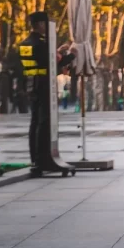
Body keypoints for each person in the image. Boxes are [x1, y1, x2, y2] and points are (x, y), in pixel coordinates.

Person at [19, 12, 76, 177]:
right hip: (44, 85)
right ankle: (42, 159)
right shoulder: (41, 44)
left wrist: (57, 53)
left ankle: (35, 159)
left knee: (34, 122)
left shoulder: (25, 43)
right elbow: (51, 64)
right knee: (44, 123)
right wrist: (72, 55)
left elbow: (39, 61)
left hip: (31, 85)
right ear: (41, 25)